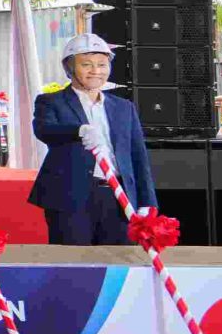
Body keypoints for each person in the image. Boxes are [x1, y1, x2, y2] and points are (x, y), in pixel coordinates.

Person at [29, 34, 155, 245]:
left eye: (102, 64)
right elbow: (44, 130)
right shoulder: (51, 101)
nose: (96, 71)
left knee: (119, 259)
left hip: (119, 198)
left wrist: (147, 201)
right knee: (74, 259)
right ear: (69, 68)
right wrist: (78, 131)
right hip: (70, 197)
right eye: (86, 64)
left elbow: (138, 156)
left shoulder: (124, 108)